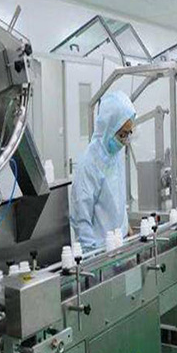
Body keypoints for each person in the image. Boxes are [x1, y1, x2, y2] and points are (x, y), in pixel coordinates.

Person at [70, 90, 136, 249]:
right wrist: (91, 252)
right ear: (109, 128)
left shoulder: (115, 156)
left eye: (128, 134)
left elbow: (117, 202)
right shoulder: (89, 164)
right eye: (122, 135)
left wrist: (126, 226)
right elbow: (81, 219)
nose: (125, 140)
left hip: (120, 244)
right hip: (100, 251)